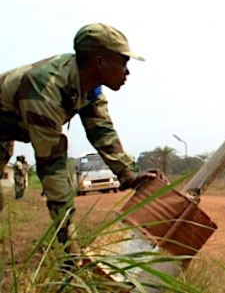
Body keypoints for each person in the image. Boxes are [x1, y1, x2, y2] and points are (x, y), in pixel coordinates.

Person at [0, 23, 155, 249]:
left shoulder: (90, 89)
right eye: (123, 62)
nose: (127, 72)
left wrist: (128, 175)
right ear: (100, 62)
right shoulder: (44, 89)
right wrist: (71, 250)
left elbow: (103, 133)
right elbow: (51, 165)